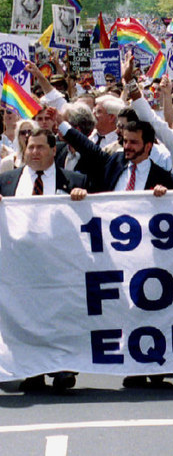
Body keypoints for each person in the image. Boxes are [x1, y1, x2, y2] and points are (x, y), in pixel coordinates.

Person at [0, 126, 87, 393]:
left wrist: (82, 200)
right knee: (26, 319)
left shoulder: (75, 181)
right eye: (30, 147)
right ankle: (31, 369)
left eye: (40, 147)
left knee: (60, 318)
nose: (34, 152)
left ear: (53, 150)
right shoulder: (7, 181)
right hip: (20, 267)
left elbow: (92, 220)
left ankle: (62, 368)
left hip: (59, 266)